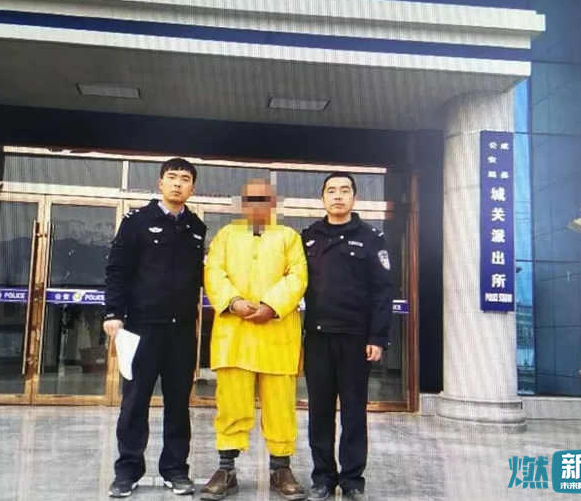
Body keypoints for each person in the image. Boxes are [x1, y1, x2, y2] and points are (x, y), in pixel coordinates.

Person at [103, 158, 206, 498]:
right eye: (172, 177)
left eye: (185, 179)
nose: (178, 183)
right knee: (135, 401)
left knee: (178, 404)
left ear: (192, 188)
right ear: (160, 183)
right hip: (141, 327)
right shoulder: (136, 221)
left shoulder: (195, 227)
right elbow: (117, 269)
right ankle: (127, 470)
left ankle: (175, 469)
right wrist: (113, 312)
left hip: (181, 331)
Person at [200, 179, 308, 501]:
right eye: (251, 199)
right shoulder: (225, 236)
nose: (258, 205)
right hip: (235, 334)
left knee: (281, 406)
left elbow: (298, 276)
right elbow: (213, 273)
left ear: (274, 203)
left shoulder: (289, 237)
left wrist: (272, 305)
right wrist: (233, 301)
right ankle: (226, 469)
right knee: (231, 403)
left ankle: (281, 469)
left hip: (277, 333)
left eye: (264, 199)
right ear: (243, 204)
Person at [301, 172, 393, 501]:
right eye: (331, 190)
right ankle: (323, 478)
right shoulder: (308, 237)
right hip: (317, 338)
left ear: (354, 197)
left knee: (354, 412)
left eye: (344, 190)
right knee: (319, 412)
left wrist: (378, 337)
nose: (338, 196)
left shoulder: (371, 238)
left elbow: (383, 291)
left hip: (356, 339)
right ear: (322, 197)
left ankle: (353, 479)